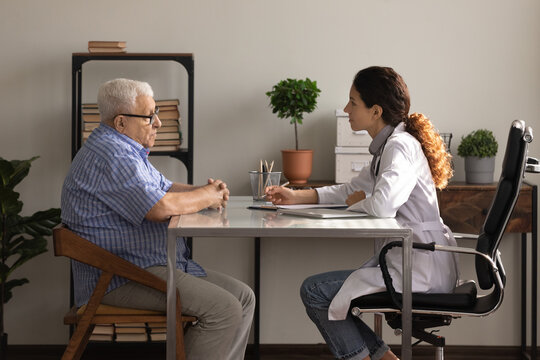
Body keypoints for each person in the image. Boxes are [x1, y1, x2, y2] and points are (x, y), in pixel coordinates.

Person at [265, 66, 457, 360]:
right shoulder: (388, 147)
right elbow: (350, 190)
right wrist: (297, 196)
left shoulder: (399, 147)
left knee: (315, 291)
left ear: (376, 110)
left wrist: (360, 200)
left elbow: (381, 205)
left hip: (418, 270)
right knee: (321, 292)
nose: (346, 109)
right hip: (411, 261)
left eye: (353, 102)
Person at [61, 78, 255, 360]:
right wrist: (205, 197)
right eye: (149, 115)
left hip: (145, 267)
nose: (158, 122)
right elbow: (159, 207)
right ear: (120, 122)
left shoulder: (124, 148)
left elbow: (164, 188)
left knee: (243, 297)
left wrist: (208, 192)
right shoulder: (113, 154)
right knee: (224, 309)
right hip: (119, 277)